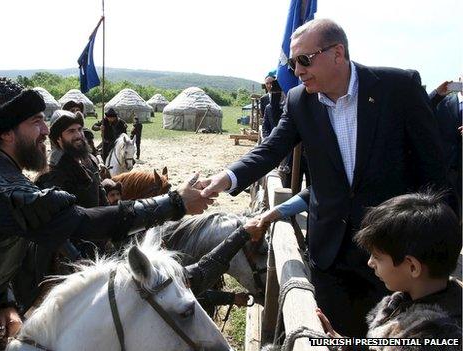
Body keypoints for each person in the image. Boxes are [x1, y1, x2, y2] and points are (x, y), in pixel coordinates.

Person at [0, 88, 219, 351]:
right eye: (36, 123)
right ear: (7, 133)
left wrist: (6, 301)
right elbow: (86, 222)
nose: (46, 131)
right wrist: (175, 203)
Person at [196, 18, 449, 337]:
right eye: (292, 62)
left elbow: (434, 171)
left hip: (394, 254)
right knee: (333, 337)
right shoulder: (299, 100)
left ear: (337, 53)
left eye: (304, 60)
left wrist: (440, 247)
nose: (297, 70)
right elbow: (271, 149)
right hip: (331, 256)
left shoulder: (398, 89)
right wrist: (226, 177)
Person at [317, 192, 462, 347]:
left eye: (377, 257)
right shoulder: (409, 300)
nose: (370, 263)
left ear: (412, 267)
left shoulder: (433, 337)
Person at [36, 110, 106, 208]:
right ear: (58, 138)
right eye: (71, 131)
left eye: (80, 129)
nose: (78, 135)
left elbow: (101, 196)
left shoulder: (89, 161)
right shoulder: (51, 174)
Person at [429, 78, 462, 216]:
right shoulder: (443, 103)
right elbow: (419, 109)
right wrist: (436, 93)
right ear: (459, 80)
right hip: (448, 171)